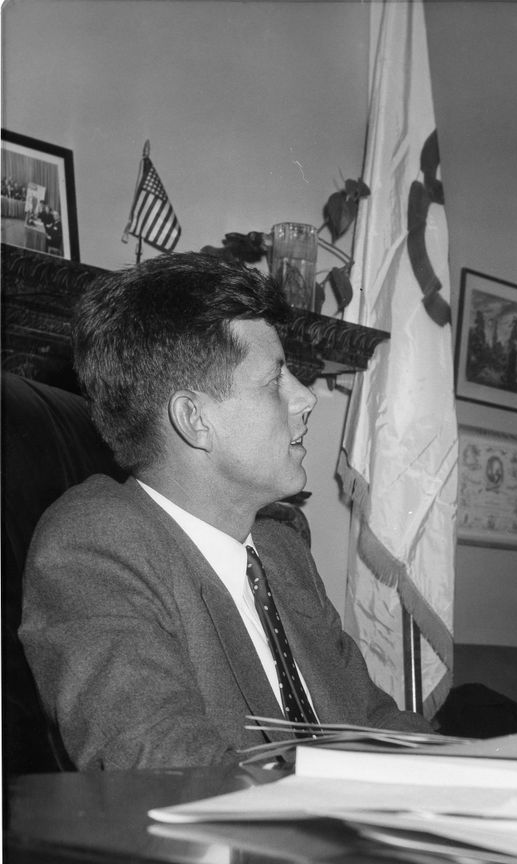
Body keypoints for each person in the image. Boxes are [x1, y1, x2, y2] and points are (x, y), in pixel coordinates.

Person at [20, 252, 433, 770]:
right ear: (194, 418)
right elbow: (162, 764)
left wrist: (481, 775)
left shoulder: (282, 553)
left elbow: (373, 721)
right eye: (274, 381)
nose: (306, 399)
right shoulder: (93, 541)